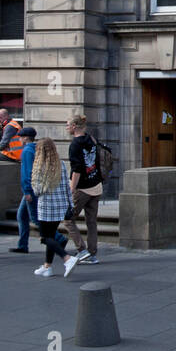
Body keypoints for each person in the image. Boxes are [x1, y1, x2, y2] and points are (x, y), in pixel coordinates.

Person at [30, 137, 82, 278]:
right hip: (60, 205)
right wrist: (70, 205)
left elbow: (37, 190)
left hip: (46, 206)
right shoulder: (61, 164)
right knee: (51, 236)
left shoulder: (39, 166)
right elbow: (67, 186)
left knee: (45, 237)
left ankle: (67, 258)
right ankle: (47, 266)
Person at [62, 114, 102, 265]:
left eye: (67, 125)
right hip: (96, 185)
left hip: (83, 188)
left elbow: (77, 169)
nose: (66, 127)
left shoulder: (75, 144)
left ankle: (82, 250)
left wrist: (72, 189)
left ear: (74, 127)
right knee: (91, 222)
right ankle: (92, 254)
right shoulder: (91, 139)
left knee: (68, 220)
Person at [10, 127, 39, 254]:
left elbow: (27, 173)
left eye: (20, 137)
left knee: (36, 219)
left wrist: (27, 191)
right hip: (34, 187)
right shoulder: (36, 148)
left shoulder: (27, 150)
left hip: (30, 189)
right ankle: (23, 245)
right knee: (22, 215)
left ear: (26, 137)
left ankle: (58, 239)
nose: (19, 139)